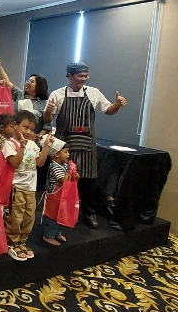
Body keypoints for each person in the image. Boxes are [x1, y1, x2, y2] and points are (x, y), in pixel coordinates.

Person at [43, 62, 127, 229]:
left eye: (86, 75)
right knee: (63, 179)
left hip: (87, 141)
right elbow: (46, 120)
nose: (84, 79)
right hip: (64, 144)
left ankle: (89, 212)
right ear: (69, 76)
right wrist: (48, 111)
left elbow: (108, 110)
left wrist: (117, 104)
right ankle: (59, 210)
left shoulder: (93, 93)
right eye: (80, 76)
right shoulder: (58, 94)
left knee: (89, 180)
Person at [3, 110, 53, 261]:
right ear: (14, 125)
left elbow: (39, 163)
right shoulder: (9, 144)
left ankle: (22, 241)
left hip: (31, 188)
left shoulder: (32, 144)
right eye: (25, 127)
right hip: (16, 187)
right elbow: (14, 163)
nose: (28, 131)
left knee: (29, 216)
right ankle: (12, 241)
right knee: (16, 216)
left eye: (31, 129)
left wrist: (45, 147)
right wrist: (22, 147)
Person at [0, 57, 51, 139]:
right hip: (14, 136)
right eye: (28, 81)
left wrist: (38, 137)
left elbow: (47, 126)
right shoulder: (20, 95)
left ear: (39, 86)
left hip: (32, 139)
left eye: (32, 82)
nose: (28, 83)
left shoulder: (44, 103)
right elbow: (7, 83)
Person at [43, 142, 78, 246]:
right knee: (52, 217)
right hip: (53, 197)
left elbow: (72, 179)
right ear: (57, 154)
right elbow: (63, 180)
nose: (68, 155)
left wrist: (75, 175)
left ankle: (57, 233)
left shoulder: (64, 165)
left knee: (61, 215)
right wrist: (68, 172)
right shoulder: (54, 167)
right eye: (66, 152)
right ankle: (48, 235)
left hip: (62, 197)